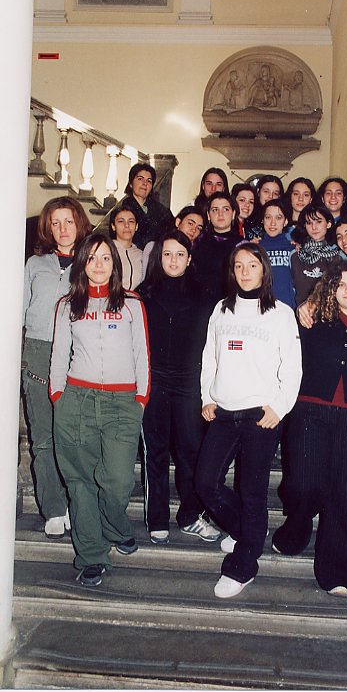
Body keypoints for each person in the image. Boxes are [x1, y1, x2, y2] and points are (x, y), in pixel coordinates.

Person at [195, 243, 302, 598]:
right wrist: (207, 397)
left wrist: (279, 407)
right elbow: (210, 357)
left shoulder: (280, 314)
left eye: (252, 265)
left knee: (252, 492)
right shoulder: (221, 310)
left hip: (260, 416)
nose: (244, 272)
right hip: (224, 413)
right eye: (238, 266)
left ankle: (243, 566)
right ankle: (248, 531)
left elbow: (292, 367)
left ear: (264, 270)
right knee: (205, 483)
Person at [50, 233, 150, 587]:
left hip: (122, 403)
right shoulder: (67, 305)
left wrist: (140, 400)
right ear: (82, 264)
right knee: (80, 483)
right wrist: (59, 396)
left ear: (115, 264)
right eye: (91, 258)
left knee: (118, 481)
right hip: (77, 400)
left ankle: (115, 527)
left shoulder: (132, 304)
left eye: (106, 257)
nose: (98, 264)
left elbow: (142, 355)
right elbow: (59, 356)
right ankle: (92, 555)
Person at [272, 261, 347, 597]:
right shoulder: (311, 319)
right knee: (303, 484)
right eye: (341, 284)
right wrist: (304, 305)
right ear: (330, 289)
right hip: (309, 412)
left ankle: (335, 572)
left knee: (345, 494)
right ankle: (297, 528)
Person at [140, 230, 220, 545]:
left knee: (191, 451)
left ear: (189, 259)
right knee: (156, 451)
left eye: (180, 254)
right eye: (167, 254)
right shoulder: (143, 294)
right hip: (154, 381)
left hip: (190, 383)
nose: (173, 260)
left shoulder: (206, 296)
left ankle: (190, 516)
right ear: (158, 258)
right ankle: (157, 518)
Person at [22, 197, 92, 539]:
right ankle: (53, 508)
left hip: (77, 353)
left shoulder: (91, 262)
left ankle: (77, 504)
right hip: (37, 351)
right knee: (43, 438)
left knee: (75, 438)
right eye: (55, 222)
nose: (63, 229)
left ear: (79, 223)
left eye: (68, 221)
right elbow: (19, 311)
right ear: (48, 228)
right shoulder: (35, 264)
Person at [191, 191, 243, 304]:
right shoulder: (197, 242)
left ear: (233, 213)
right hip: (200, 304)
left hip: (230, 304)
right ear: (208, 215)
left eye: (226, 209)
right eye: (215, 210)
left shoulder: (242, 245)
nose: (220, 214)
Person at [290, 203, 340, 305]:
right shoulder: (295, 255)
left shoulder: (338, 257)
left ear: (328, 224)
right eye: (309, 223)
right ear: (304, 226)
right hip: (301, 312)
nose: (314, 227)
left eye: (319, 221)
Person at [142, 205, 206, 278]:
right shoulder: (154, 246)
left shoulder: (199, 254)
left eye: (198, 228)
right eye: (190, 224)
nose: (194, 230)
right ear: (178, 222)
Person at [122, 163, 174, 249]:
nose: (145, 183)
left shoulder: (162, 210)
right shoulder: (123, 209)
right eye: (140, 179)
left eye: (149, 181)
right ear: (131, 183)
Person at [259, 199, 295, 308]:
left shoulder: (294, 249)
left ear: (286, 221)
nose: (273, 223)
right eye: (268, 217)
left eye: (278, 218)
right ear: (263, 220)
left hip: (288, 309)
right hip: (261, 308)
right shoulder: (255, 249)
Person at [109, 199, 143, 290]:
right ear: (113, 226)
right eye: (121, 221)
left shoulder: (142, 255)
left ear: (136, 226)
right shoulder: (107, 251)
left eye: (131, 221)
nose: (126, 225)